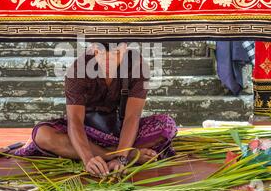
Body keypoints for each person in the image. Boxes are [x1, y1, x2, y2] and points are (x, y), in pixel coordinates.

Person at [15, 42, 178, 177]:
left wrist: (121, 159)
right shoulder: (79, 68)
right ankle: (120, 154)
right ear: (93, 49)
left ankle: (111, 152)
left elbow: (132, 117)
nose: (109, 63)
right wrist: (88, 159)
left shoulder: (137, 65)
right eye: (101, 55)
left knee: (167, 125)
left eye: (115, 55)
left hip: (119, 129)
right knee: (43, 135)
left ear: (125, 48)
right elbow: (75, 121)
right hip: (87, 132)